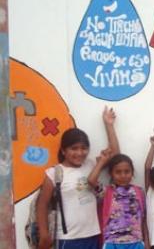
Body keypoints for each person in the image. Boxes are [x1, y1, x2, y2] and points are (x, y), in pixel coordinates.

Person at [36, 107, 119, 249]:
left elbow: (116, 155)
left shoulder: (91, 165)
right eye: (74, 148)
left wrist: (109, 125)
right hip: (68, 239)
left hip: (93, 235)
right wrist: (44, 234)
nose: (80, 153)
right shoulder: (54, 173)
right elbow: (42, 205)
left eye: (84, 148)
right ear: (63, 150)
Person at [88, 151, 147, 249]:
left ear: (132, 172)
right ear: (111, 174)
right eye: (118, 172)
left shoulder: (139, 191)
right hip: (112, 242)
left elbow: (144, 219)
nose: (123, 175)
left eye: (127, 171)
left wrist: (146, 240)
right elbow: (91, 180)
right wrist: (102, 162)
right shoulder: (106, 192)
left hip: (136, 242)